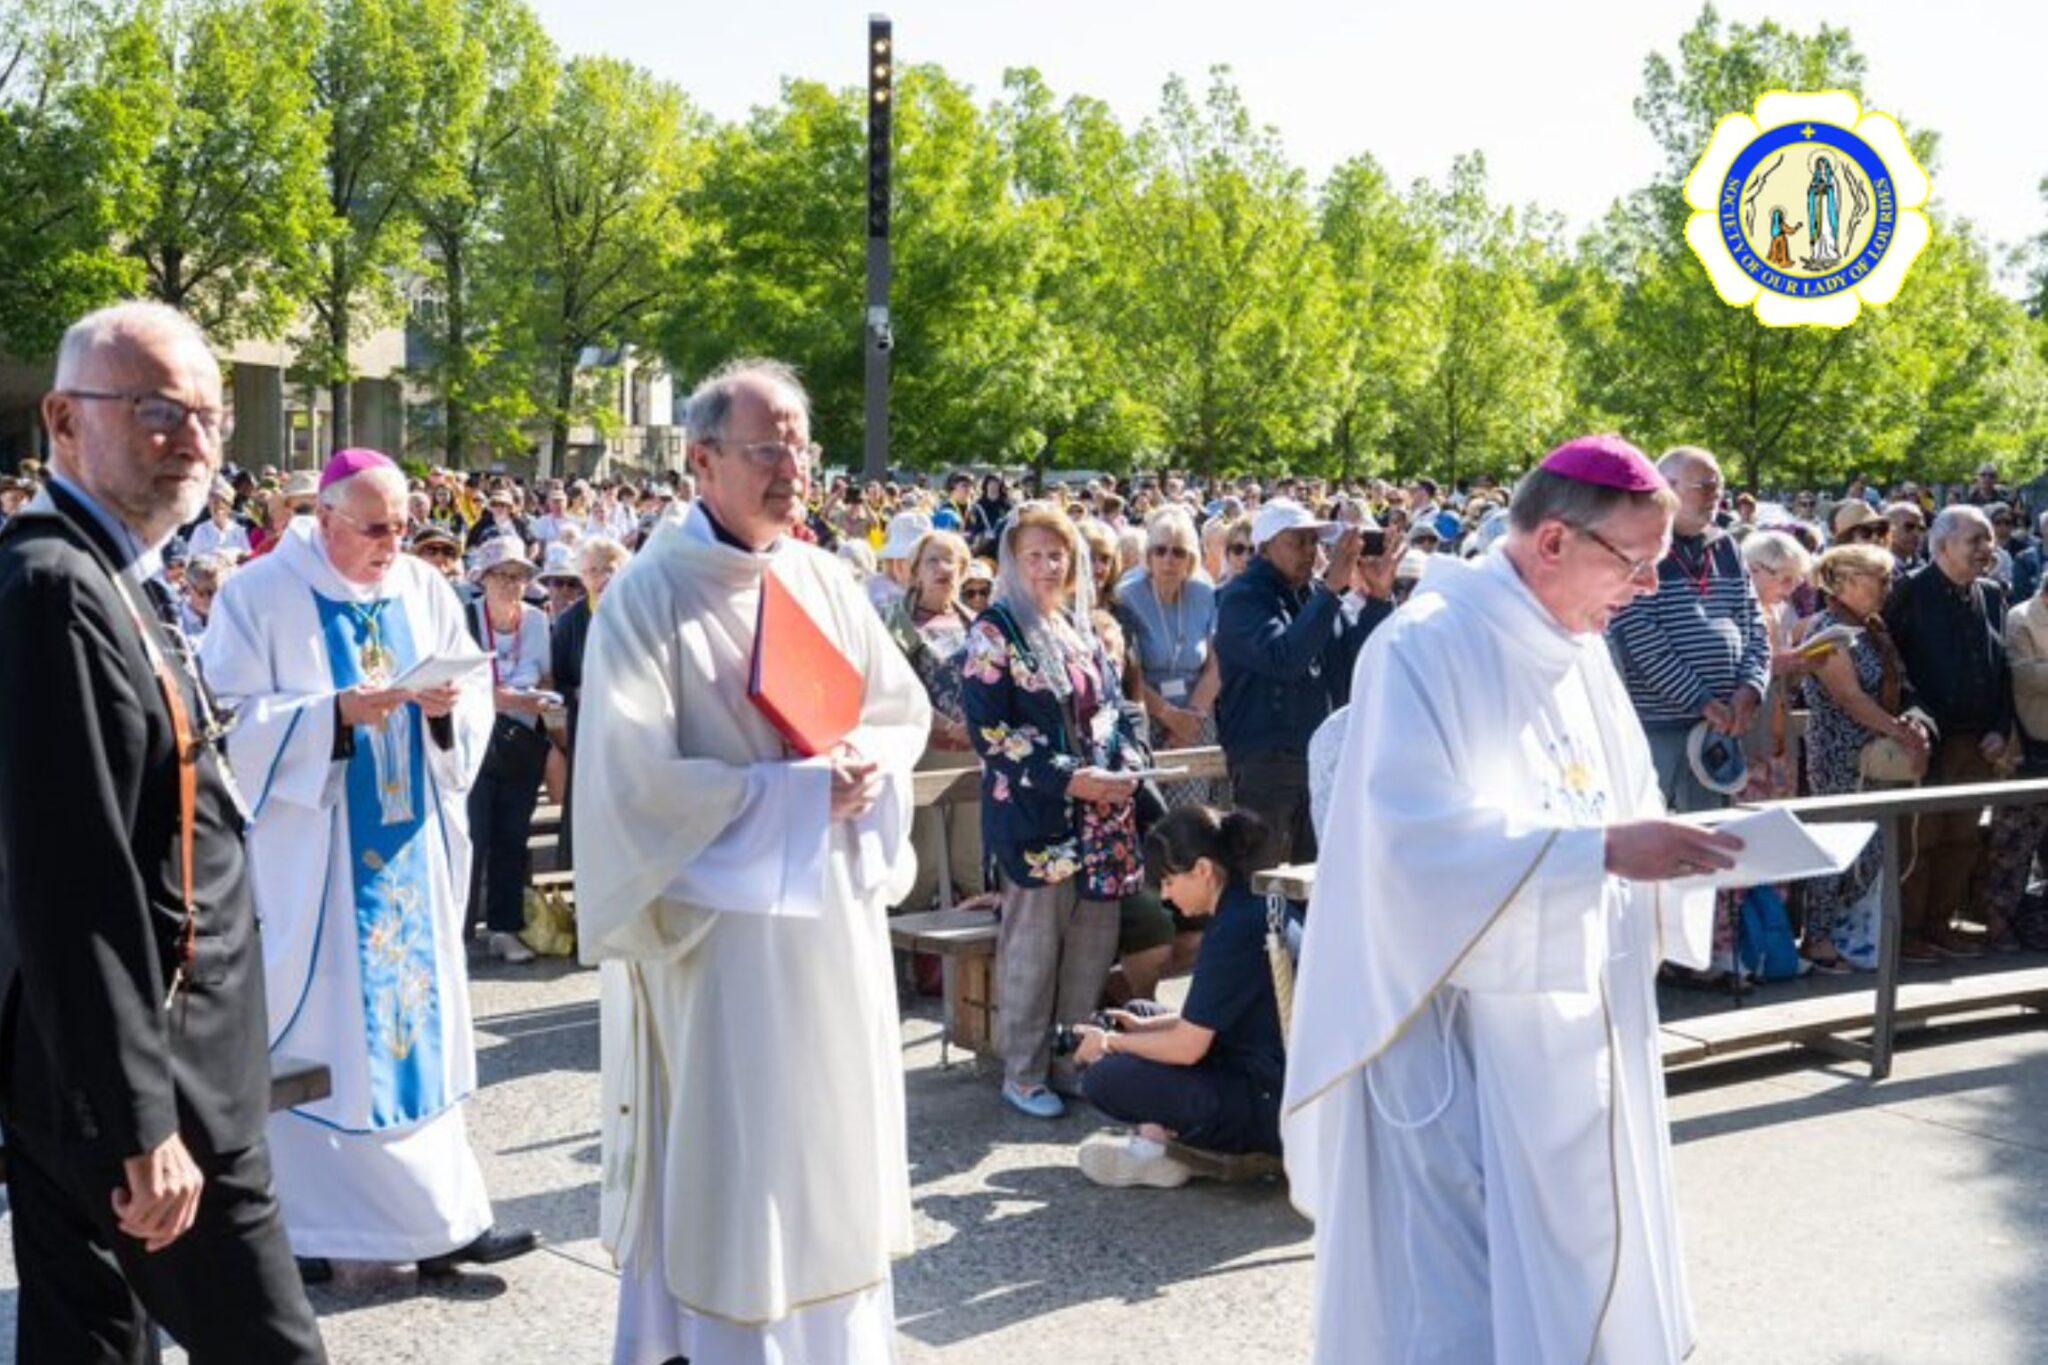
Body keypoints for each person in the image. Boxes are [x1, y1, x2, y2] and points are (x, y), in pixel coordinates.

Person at [1284, 435, 1743, 1365]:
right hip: (1455, 1049)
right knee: (1458, 1305)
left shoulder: (1579, 651)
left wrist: (1690, 849)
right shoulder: (1424, 646)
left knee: (1572, 1288)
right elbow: (1408, 848)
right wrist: (1603, 853)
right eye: (1638, 563)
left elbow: (1626, 806)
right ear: (1552, 545)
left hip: (1574, 1028)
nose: (1650, 587)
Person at [573, 359, 930, 1365]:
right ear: (700, 461)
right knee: (741, 1156)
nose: (792, 469)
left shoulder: (821, 578)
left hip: (832, 927)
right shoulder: (647, 598)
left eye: (800, 447)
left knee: (830, 1150)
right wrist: (792, 797)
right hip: (722, 947)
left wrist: (862, 764)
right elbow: (630, 785)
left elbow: (895, 713)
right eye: (766, 448)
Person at [0, 302, 328, 1362]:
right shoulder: (55, 588)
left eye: (206, 414)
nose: (190, 438)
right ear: (61, 418)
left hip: (105, 1070)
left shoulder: (106, 572)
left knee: (87, 1344)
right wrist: (142, 1122)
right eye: (153, 410)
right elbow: (71, 882)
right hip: (147, 1090)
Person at [199, 446, 538, 1280]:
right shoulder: (258, 594)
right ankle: (313, 1233)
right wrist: (333, 716)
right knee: (327, 1039)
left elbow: (477, 688)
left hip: (409, 846)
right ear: (325, 518)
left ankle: (445, 1222)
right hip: (317, 860)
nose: (394, 544)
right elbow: (227, 724)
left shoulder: (422, 589)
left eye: (401, 525)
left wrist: (447, 709)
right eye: (376, 528)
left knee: (418, 1030)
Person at [962, 501, 1148, 1119]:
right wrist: (1072, 780)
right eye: (1034, 554)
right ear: (1012, 560)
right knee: (1034, 947)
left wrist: (1124, 765)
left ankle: (1072, 1061)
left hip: (1099, 819)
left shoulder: (1079, 629)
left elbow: (1115, 708)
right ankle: (1023, 1070)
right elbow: (991, 733)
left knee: (1092, 944)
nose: (1046, 565)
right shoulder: (995, 631)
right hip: (1037, 817)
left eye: (1057, 554)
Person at [1068, 804, 1287, 1188]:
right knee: (1137, 1010)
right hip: (1269, 1073)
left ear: (1202, 870)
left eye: (1169, 882)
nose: (1166, 897)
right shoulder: (1249, 905)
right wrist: (1139, 1027)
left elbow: (1188, 1047)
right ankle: (1157, 1140)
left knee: (1105, 1076)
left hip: (1267, 1104)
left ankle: (1158, 1147)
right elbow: (1220, 1021)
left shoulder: (1232, 932)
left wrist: (1111, 1043)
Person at [1214, 498, 1392, 867]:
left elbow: (1354, 666)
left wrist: (1377, 599)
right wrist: (1330, 591)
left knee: (1315, 889)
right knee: (1263, 894)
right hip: (1267, 766)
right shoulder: (1241, 597)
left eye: (1314, 542)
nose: (1310, 552)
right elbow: (1283, 659)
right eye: (1298, 542)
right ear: (1265, 547)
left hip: (1318, 763)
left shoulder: (1312, 594)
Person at [1606, 445, 1769, 815]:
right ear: (1667, 486)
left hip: (1718, 728)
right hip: (1660, 727)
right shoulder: (1641, 547)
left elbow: (1754, 623)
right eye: (1706, 486)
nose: (1717, 496)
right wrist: (1700, 700)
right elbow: (1640, 636)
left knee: (1710, 843)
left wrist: (1751, 686)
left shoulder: (1726, 545)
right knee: (1655, 842)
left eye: (1719, 486)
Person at [1885, 504, 2011, 962]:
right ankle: (1910, 930)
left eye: (1987, 539)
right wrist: (1916, 721)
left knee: (1962, 839)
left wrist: (2001, 726)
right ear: (1941, 546)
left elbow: (2003, 669)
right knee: (1921, 839)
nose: (1987, 548)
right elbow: (1892, 666)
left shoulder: (1994, 593)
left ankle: (1941, 924)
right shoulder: (1908, 593)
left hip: (1977, 743)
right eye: (1974, 540)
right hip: (1927, 742)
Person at [1800, 544, 1926, 972]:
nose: (1888, 588)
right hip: (1838, 751)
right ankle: (1816, 939)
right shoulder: (1824, 629)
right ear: (1848, 581)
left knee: (1872, 848)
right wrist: (1900, 732)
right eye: (1880, 579)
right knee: (1835, 845)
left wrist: (1909, 724)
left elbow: (1896, 686)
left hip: (1876, 751)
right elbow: (1849, 697)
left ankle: (1852, 936)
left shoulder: (1873, 628)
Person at [884, 528, 987, 913]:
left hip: (974, 753)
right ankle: (907, 963)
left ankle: (974, 964)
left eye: (953, 561)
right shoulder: (899, 623)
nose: (944, 568)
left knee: (969, 862)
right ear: (916, 570)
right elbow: (894, 689)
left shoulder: (978, 623)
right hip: (924, 753)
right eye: (934, 560)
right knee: (922, 864)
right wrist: (944, 725)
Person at [462, 536, 554, 963]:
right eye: (501, 575)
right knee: (472, 836)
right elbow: (467, 687)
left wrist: (540, 707)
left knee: (511, 838)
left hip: (521, 744)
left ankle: (504, 929)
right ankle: (458, 932)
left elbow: (547, 677)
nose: (510, 584)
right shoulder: (465, 619)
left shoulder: (537, 621)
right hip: (473, 741)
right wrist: (518, 699)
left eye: (518, 576)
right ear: (483, 578)